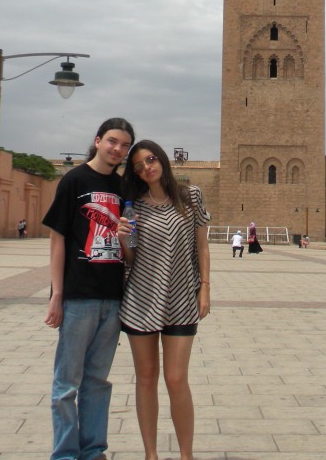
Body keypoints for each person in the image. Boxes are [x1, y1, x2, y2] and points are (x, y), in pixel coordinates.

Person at [42, 117, 135, 460]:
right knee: (67, 383)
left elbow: (129, 252)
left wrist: (125, 240)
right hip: (78, 297)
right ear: (98, 141)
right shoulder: (74, 180)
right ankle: (66, 454)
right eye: (112, 141)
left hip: (112, 298)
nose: (117, 149)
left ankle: (94, 451)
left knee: (97, 382)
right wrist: (57, 295)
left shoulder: (124, 188)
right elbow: (57, 240)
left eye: (124, 145)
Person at [119, 140, 210, 460]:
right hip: (141, 300)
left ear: (162, 160)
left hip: (182, 298)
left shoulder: (190, 196)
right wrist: (124, 240)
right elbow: (132, 259)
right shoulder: (134, 207)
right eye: (139, 166)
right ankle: (151, 455)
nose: (147, 168)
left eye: (151, 160)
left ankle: (186, 455)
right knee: (146, 379)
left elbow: (202, 246)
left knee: (176, 379)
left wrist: (205, 287)